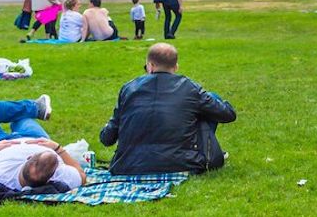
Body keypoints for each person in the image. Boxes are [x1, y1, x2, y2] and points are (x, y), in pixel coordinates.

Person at [100, 43, 237, 174]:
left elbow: (107, 138)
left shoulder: (129, 89)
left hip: (128, 165)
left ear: (150, 66)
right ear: (176, 67)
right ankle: (206, 150)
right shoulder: (189, 88)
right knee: (210, 99)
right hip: (183, 163)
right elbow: (228, 114)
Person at [0, 95, 86, 196]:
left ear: (29, 158)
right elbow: (81, 175)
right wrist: (57, 148)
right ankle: (35, 109)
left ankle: (35, 107)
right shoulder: (62, 175)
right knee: (22, 119)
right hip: (36, 138)